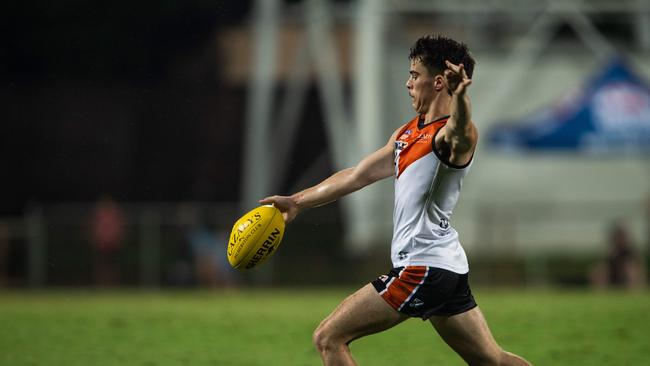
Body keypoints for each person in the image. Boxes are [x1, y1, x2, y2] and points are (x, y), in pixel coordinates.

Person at [261, 35, 531, 365]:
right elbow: (357, 174)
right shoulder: (407, 134)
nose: (408, 83)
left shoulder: (450, 137)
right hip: (444, 266)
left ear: (440, 82)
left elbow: (460, 129)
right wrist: (298, 201)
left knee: (329, 337)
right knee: (493, 361)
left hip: (423, 267)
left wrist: (461, 98)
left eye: (415, 75)